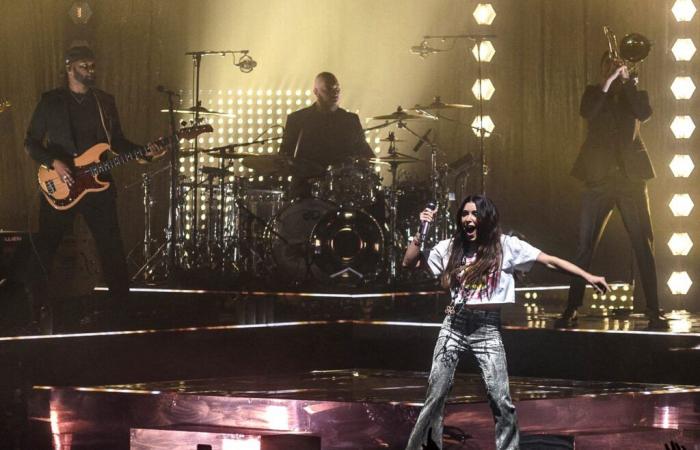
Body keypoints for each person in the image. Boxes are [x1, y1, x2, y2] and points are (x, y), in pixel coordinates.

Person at [402, 195, 610, 450]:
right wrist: (420, 232)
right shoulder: (451, 247)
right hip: (454, 325)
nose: (468, 219)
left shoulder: (506, 247)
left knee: (500, 398)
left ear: (486, 219)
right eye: (465, 214)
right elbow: (408, 262)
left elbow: (549, 261)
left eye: (474, 214)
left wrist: (586, 275)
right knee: (435, 395)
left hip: (486, 329)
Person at [21, 46, 163, 327]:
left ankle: (122, 313)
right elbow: (31, 142)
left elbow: (116, 142)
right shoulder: (51, 101)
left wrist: (144, 152)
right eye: (84, 66)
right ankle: (33, 312)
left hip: (97, 187)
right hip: (60, 185)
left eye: (93, 66)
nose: (90, 71)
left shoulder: (104, 102)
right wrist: (54, 163)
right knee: (46, 248)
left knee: (111, 247)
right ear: (69, 68)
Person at [557, 51, 667, 330]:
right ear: (603, 69)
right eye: (611, 66)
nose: (616, 70)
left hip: (631, 181)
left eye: (619, 66)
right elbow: (588, 112)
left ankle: (654, 309)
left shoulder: (635, 94)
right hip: (599, 181)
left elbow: (645, 113)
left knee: (643, 244)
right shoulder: (595, 93)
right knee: (584, 247)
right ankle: (571, 307)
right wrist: (607, 81)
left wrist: (628, 82)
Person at [279, 72, 375, 197]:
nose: (335, 93)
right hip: (306, 187)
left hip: (344, 188)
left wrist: (365, 164)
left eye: (337, 89)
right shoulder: (298, 119)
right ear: (316, 91)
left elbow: (365, 152)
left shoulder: (350, 119)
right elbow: (284, 154)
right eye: (329, 89)